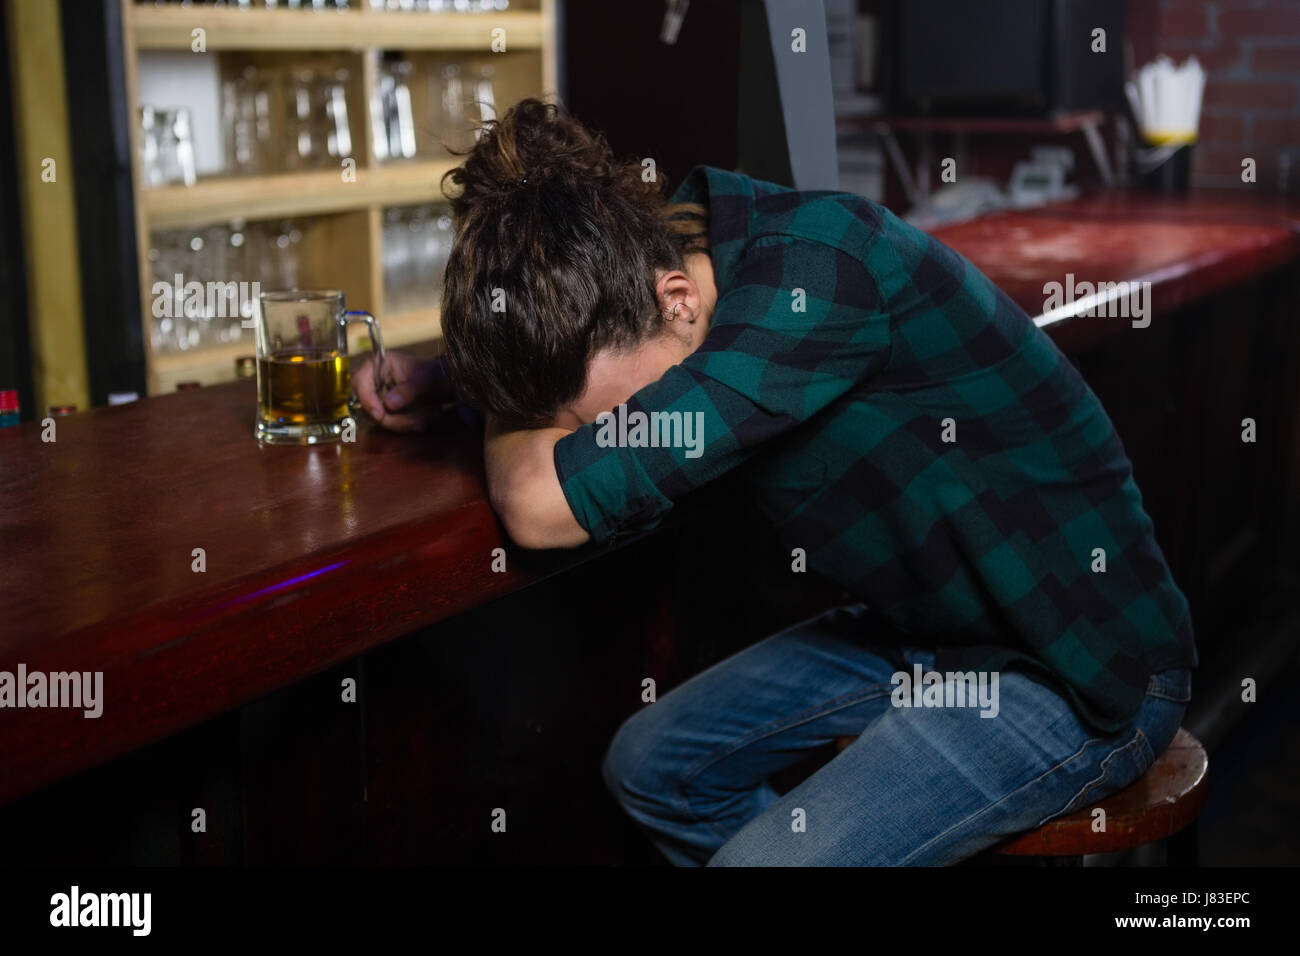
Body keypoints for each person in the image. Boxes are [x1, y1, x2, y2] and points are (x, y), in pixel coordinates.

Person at [355, 99, 1197, 866]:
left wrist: (508, 411)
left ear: (677, 299)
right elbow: (578, 354)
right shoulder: (677, 250)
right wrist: (476, 380)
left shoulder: (814, 285)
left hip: (1077, 665)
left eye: (591, 422)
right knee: (653, 769)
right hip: (932, 631)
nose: (589, 443)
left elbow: (538, 505)